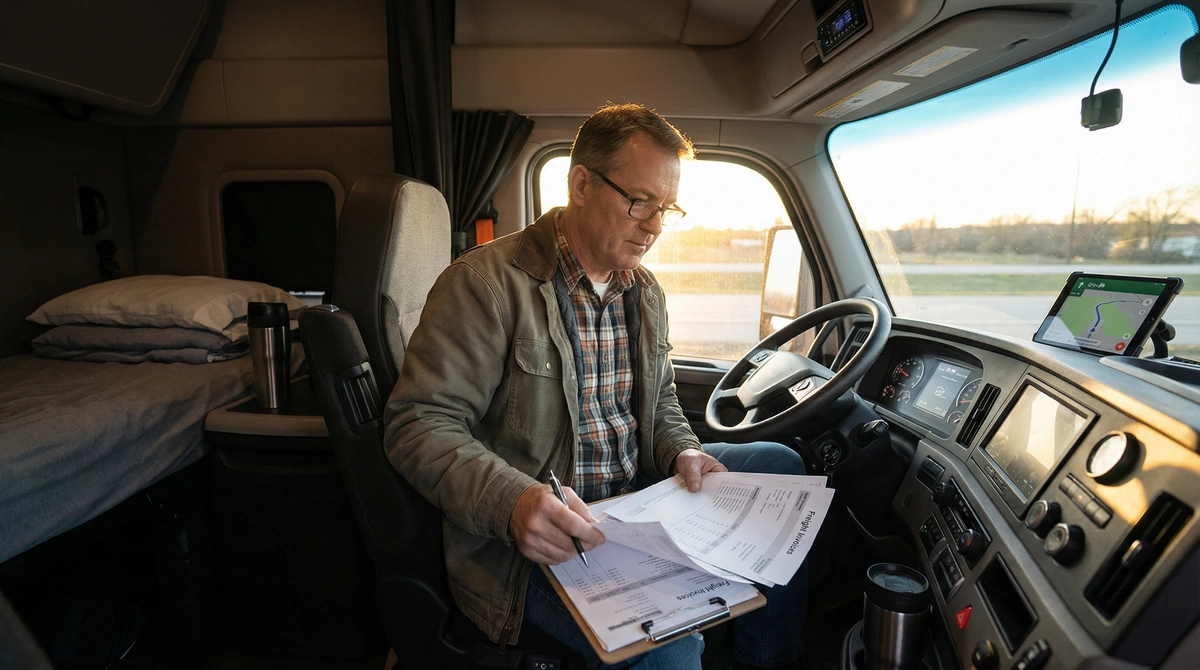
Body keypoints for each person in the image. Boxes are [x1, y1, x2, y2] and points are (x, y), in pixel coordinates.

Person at [384, 103, 808, 670]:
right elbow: (417, 425)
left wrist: (681, 451)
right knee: (671, 645)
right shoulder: (484, 285)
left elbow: (658, 404)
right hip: (536, 545)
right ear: (580, 183)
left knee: (780, 464)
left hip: (637, 502)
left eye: (666, 208)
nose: (655, 226)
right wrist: (514, 502)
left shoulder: (644, 292)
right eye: (639, 202)